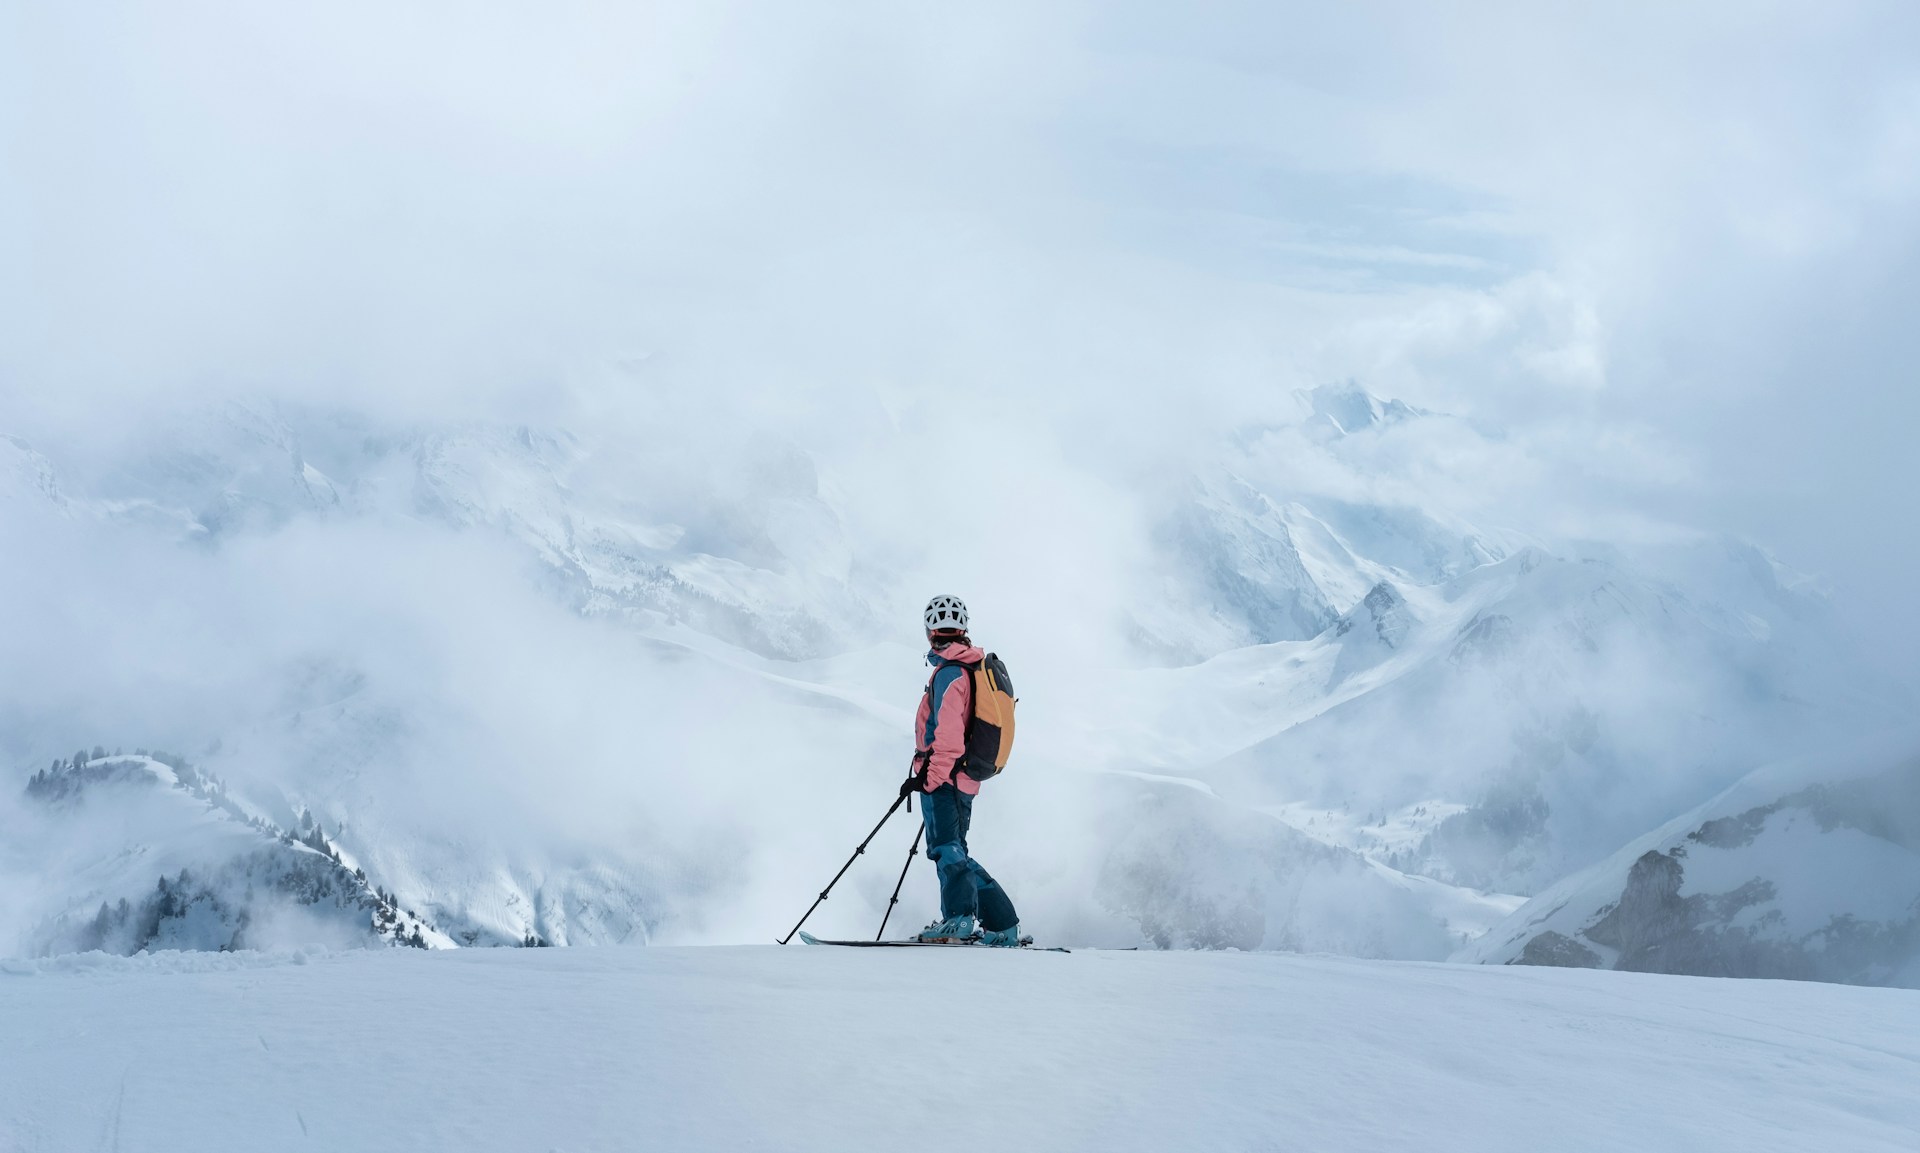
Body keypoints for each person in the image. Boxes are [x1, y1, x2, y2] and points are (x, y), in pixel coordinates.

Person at [902, 594, 1023, 946]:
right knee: (955, 849)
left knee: (946, 849)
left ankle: (958, 919)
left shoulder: (950, 673)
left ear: (929, 632)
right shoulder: (969, 666)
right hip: (964, 778)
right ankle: (1002, 925)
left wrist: (929, 779)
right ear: (963, 629)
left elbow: (949, 738)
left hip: (946, 778)